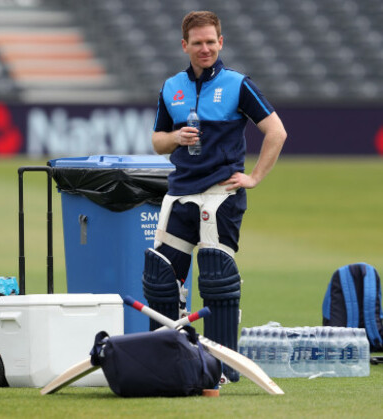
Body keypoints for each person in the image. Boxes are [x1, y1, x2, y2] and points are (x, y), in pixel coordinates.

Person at [143, 11, 287, 382]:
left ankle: (221, 368)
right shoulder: (171, 86)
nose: (204, 48)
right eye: (197, 42)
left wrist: (254, 177)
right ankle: (164, 363)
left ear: (220, 42)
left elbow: (276, 132)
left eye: (211, 41)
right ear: (184, 46)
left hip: (220, 195)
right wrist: (176, 138)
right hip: (179, 193)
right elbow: (157, 140)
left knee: (216, 280)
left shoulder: (238, 84)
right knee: (161, 280)